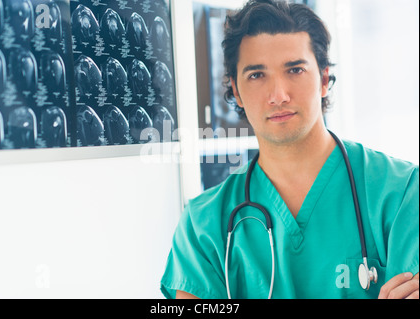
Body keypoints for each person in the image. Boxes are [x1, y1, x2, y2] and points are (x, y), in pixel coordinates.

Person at [161, 0, 419, 299]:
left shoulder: (400, 192)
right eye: (257, 75)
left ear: (323, 80)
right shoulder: (204, 225)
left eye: (295, 70)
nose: (278, 95)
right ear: (236, 91)